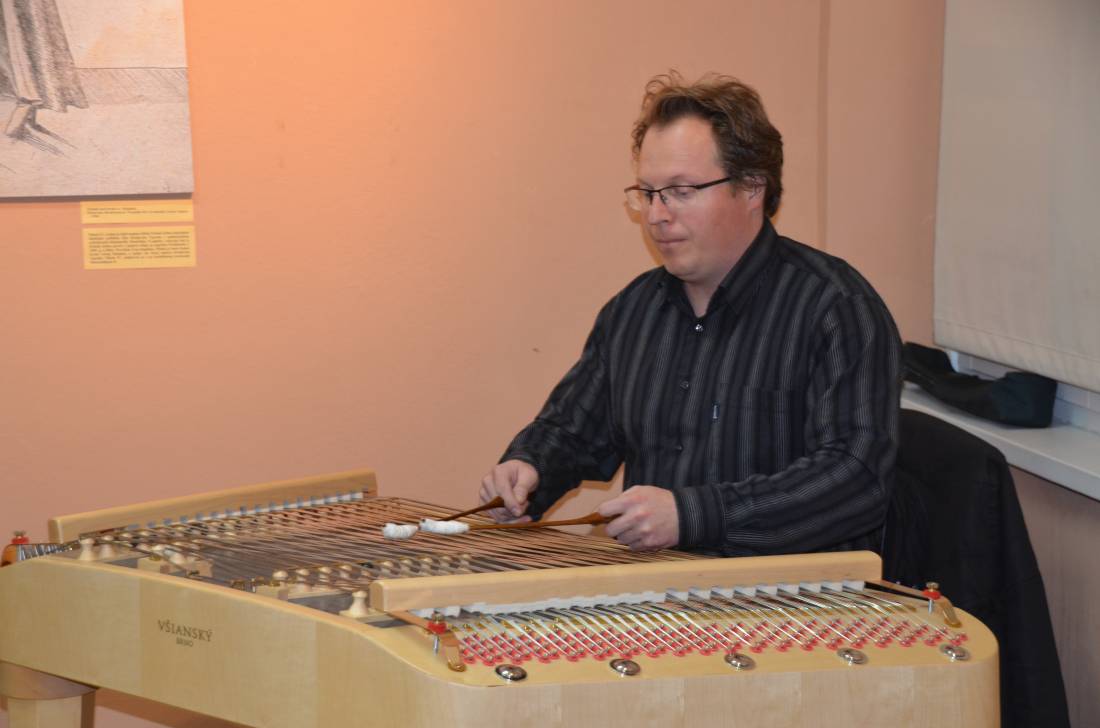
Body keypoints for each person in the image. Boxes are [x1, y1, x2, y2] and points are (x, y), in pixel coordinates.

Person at [479, 72, 901, 556]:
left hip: (790, 595)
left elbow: (856, 479)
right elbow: (572, 432)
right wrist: (529, 468)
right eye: (647, 193)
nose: (657, 215)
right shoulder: (633, 311)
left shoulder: (835, 307)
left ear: (752, 187)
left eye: (681, 191)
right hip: (657, 589)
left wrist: (692, 515)